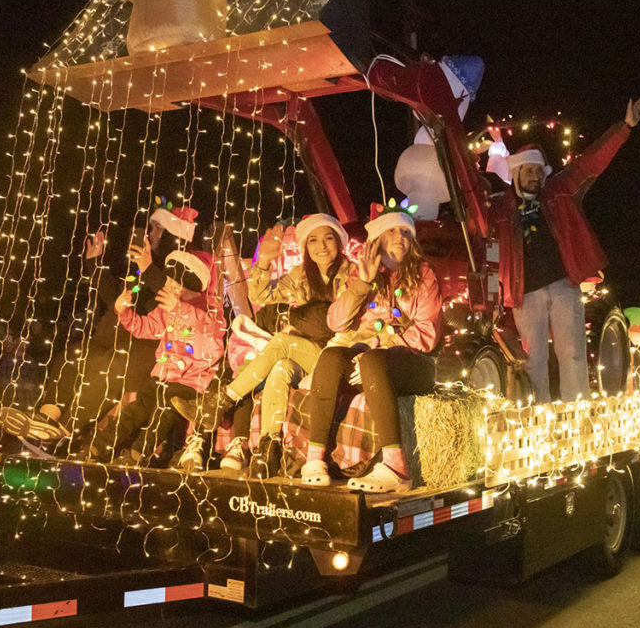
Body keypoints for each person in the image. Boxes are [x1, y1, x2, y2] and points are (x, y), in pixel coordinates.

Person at [3, 200, 204, 453]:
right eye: (152, 227)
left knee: (111, 367)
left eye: (158, 229)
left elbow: (168, 294)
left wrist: (147, 268)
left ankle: (66, 432)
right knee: (76, 354)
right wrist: (94, 266)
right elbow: (117, 298)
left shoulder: (177, 271)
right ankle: (47, 418)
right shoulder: (142, 270)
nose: (150, 233)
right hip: (114, 339)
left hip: (145, 352)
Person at [490, 98, 640, 403]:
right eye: (529, 171)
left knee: (573, 354)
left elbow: (590, 162)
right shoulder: (500, 208)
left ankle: (576, 417)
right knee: (533, 362)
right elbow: (469, 198)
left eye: (539, 170)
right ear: (517, 173)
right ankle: (537, 420)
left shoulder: (559, 191)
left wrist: (624, 128)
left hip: (563, 285)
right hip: (525, 293)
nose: (535, 176)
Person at [173, 214, 352, 472]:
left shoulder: (351, 274)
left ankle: (222, 401)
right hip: (305, 353)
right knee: (280, 369)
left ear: (339, 242)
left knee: (281, 342)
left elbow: (337, 323)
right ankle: (269, 447)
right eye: (313, 240)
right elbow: (260, 294)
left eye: (328, 238)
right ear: (305, 246)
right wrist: (265, 261)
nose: (321, 247)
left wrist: (298, 319)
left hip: (337, 352)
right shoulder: (301, 275)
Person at [299, 201, 441, 493]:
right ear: (377, 240)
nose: (400, 238)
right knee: (331, 355)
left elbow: (427, 334)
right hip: (368, 362)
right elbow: (336, 323)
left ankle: (396, 468)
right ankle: (315, 458)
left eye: (405, 232)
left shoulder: (424, 274)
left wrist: (380, 348)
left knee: (373, 360)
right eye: (391, 232)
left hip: (413, 364)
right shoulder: (361, 273)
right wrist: (362, 283)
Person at [87, 249, 225, 470]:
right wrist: (124, 313)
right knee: (141, 404)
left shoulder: (209, 307)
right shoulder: (167, 307)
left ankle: (137, 454)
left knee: (166, 407)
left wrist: (179, 309)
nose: (168, 284)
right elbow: (145, 328)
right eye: (167, 279)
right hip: (163, 375)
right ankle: (101, 446)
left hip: (192, 381)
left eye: (173, 280)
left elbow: (209, 334)